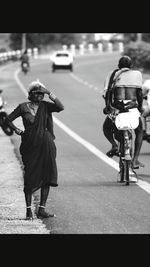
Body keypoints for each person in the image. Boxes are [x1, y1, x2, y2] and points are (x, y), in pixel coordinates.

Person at [6, 80, 64, 220]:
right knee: (30, 176)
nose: (40, 96)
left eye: (41, 94)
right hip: (30, 144)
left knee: (47, 174)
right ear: (30, 94)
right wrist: (18, 131)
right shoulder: (23, 107)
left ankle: (42, 210)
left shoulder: (45, 106)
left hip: (46, 143)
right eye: (37, 93)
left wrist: (49, 92)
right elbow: (7, 119)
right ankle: (28, 211)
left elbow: (60, 106)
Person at [103, 55, 144, 169]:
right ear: (131, 66)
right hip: (132, 107)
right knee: (139, 131)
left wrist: (107, 107)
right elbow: (139, 94)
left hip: (117, 108)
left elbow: (107, 94)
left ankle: (114, 145)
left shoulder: (113, 75)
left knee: (106, 127)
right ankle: (135, 160)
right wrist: (140, 108)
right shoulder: (137, 74)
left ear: (118, 66)